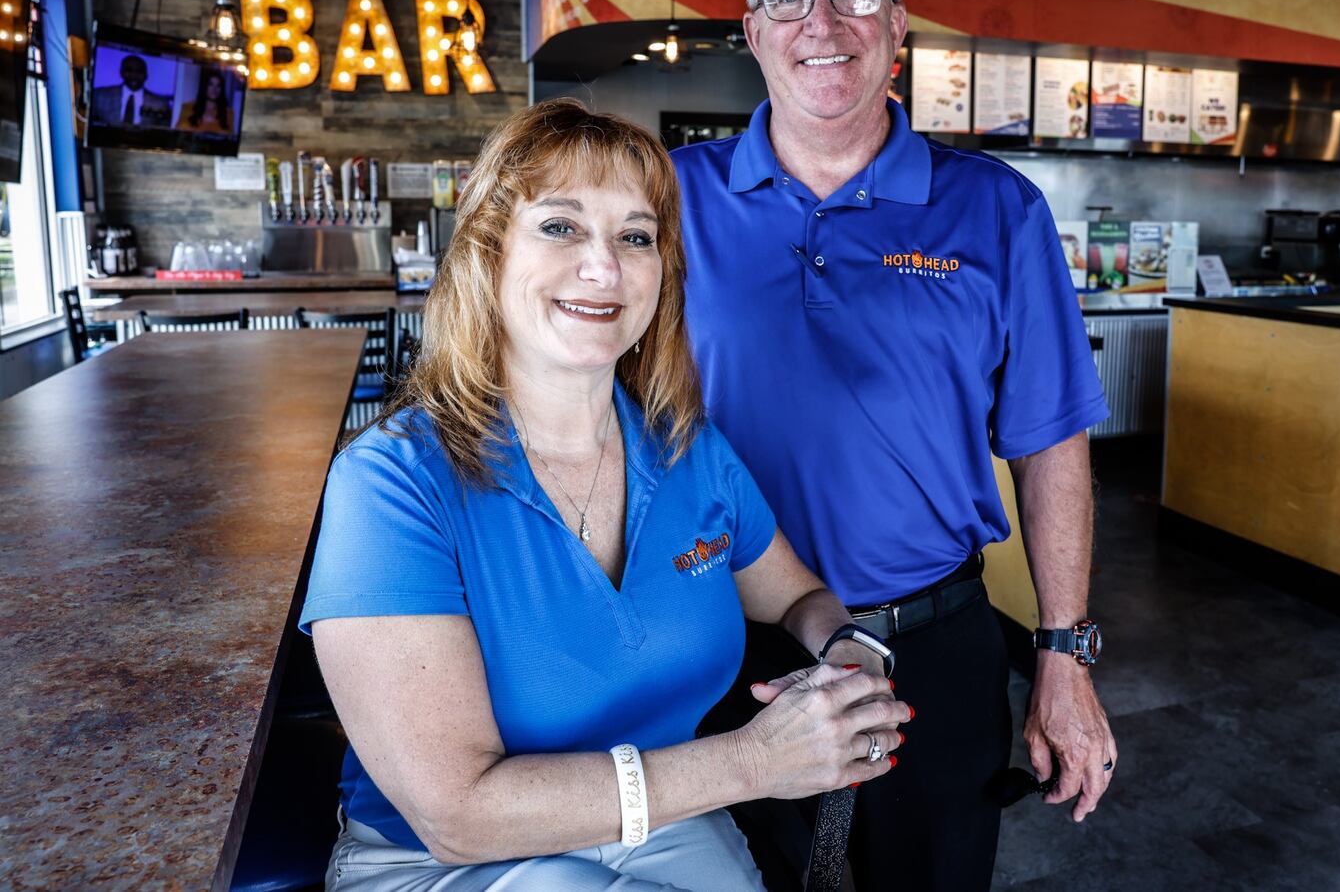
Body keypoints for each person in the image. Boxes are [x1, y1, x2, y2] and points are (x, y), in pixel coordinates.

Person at [301, 98, 909, 891]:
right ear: (487, 252)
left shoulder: (690, 450)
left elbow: (796, 595)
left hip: (667, 826)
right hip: (444, 859)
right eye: (560, 227)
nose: (606, 267)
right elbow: (456, 815)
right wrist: (755, 762)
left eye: (635, 236)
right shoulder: (391, 484)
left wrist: (845, 653)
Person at [674, 0, 1117, 891]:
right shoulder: (666, 198)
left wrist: (1062, 655)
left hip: (935, 648)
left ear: (898, 24)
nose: (821, 24)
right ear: (751, 33)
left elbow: (1051, 446)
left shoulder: (998, 210)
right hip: (719, 647)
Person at [91, 54, 172, 127]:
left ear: (146, 75)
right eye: (129, 70)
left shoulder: (160, 103)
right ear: (121, 73)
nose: (134, 75)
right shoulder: (100, 96)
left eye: (139, 71)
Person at [176, 67, 232, 133]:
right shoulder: (188, 107)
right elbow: (179, 132)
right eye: (210, 84)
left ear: (222, 89)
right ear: (205, 86)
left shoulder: (228, 113)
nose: (214, 89)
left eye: (218, 85)